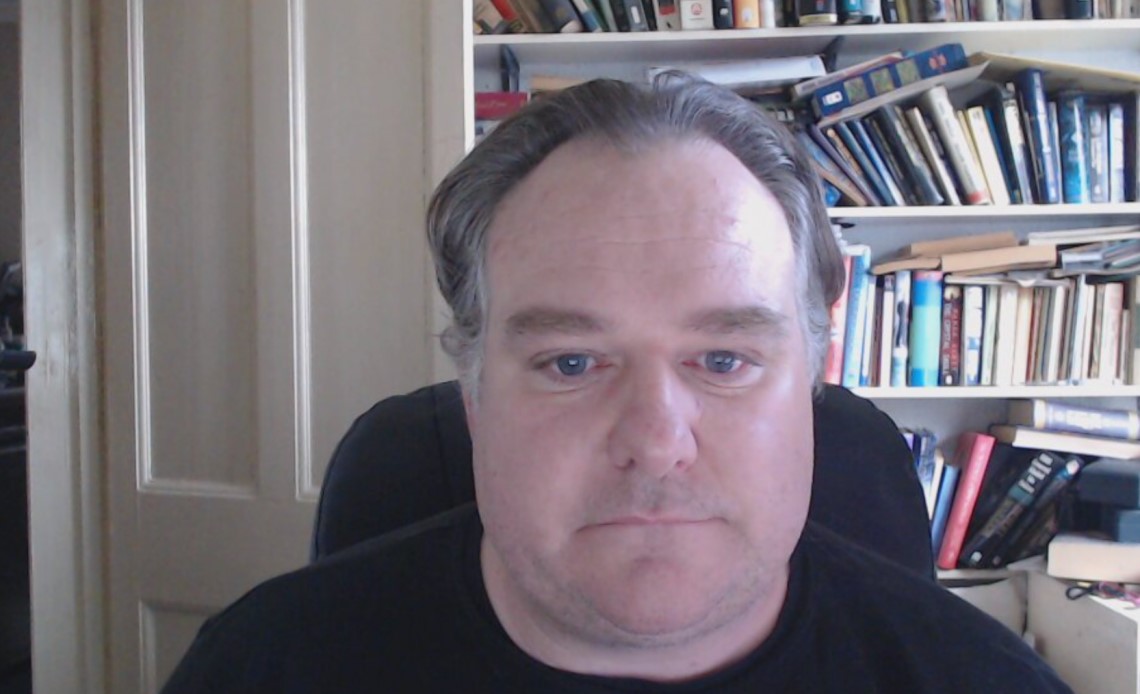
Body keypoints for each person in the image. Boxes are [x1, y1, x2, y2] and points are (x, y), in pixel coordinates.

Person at [163, 76, 1071, 693]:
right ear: (474, 393)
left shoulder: (981, 681)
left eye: (723, 360)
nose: (655, 438)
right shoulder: (261, 667)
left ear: (812, 379)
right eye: (570, 363)